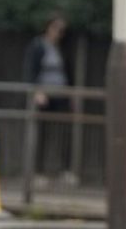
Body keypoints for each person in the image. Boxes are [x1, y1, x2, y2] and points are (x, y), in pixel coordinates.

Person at [23, 12, 74, 185]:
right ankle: (39, 171)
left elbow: (68, 71)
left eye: (62, 30)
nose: (59, 33)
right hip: (43, 95)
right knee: (42, 133)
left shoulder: (63, 48)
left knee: (63, 133)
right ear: (48, 27)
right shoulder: (38, 46)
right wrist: (36, 91)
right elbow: (31, 70)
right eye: (56, 28)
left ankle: (64, 170)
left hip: (60, 93)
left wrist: (70, 93)